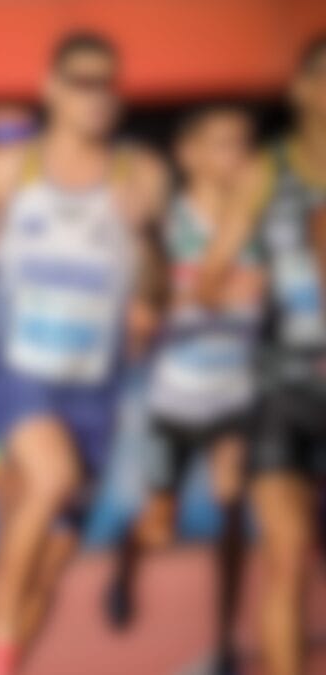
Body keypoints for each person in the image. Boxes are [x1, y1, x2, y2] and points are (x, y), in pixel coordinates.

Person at [0, 34, 168, 673]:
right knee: (50, 481)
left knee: (52, 560)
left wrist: (145, 303)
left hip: (95, 381)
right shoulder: (10, 172)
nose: (96, 97)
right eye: (83, 82)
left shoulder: (140, 179)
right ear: (56, 89)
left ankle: (10, 654)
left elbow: (151, 272)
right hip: (23, 371)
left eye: (107, 84)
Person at [105, 105, 261, 674]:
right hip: (175, 395)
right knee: (160, 524)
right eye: (222, 144)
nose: (236, 159)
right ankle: (129, 555)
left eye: (243, 146)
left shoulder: (263, 225)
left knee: (231, 512)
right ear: (190, 155)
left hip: (238, 396)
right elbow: (141, 311)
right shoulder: (167, 226)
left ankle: (223, 640)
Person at [196, 36, 326, 675]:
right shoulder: (265, 173)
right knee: (289, 553)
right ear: (301, 90)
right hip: (282, 388)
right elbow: (215, 278)